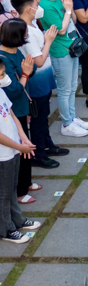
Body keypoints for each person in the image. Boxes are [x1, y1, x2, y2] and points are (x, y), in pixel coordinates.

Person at [13, 0, 66, 170]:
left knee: (44, 114)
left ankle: (47, 144)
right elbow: (39, 60)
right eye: (37, 5)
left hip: (44, 77)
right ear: (28, 9)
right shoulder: (25, 32)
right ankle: (39, 153)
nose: (39, 9)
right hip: (36, 79)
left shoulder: (31, 24)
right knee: (38, 117)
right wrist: (49, 41)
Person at [39, 0, 88, 138]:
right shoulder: (45, 5)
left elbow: (73, 21)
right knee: (64, 88)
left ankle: (72, 116)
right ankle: (66, 123)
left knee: (71, 86)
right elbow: (61, 30)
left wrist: (69, 8)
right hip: (60, 49)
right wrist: (68, 10)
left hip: (72, 45)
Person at [0, 53, 39, 243]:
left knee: (12, 188)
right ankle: (6, 229)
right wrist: (18, 146)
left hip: (14, 149)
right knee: (4, 193)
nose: (4, 78)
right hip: (4, 153)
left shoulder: (1, 90)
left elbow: (12, 114)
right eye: (0, 75)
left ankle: (17, 220)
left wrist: (23, 138)